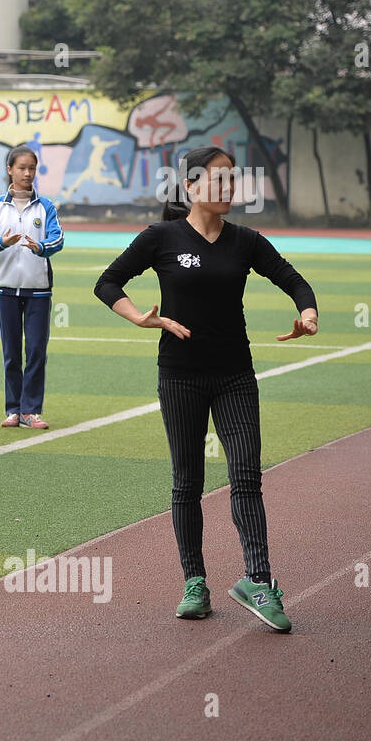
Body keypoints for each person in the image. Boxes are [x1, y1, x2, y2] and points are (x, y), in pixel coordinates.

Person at [93, 145, 318, 632]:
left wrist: (307, 313)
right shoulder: (161, 237)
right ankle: (194, 582)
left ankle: (259, 581)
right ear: (191, 187)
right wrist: (140, 318)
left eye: (232, 180)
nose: (228, 188)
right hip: (180, 376)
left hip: (235, 374)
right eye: (218, 180)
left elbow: (293, 279)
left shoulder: (245, 241)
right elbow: (108, 283)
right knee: (187, 482)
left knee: (246, 477)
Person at [0, 145, 64, 430]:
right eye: (22, 168)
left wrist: (40, 247)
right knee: (11, 351)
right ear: (10, 170)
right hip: (5, 289)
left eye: (32, 168)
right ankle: (14, 409)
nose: (28, 173)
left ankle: (32, 410)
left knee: (37, 349)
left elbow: (57, 240)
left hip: (38, 289)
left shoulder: (46, 206)